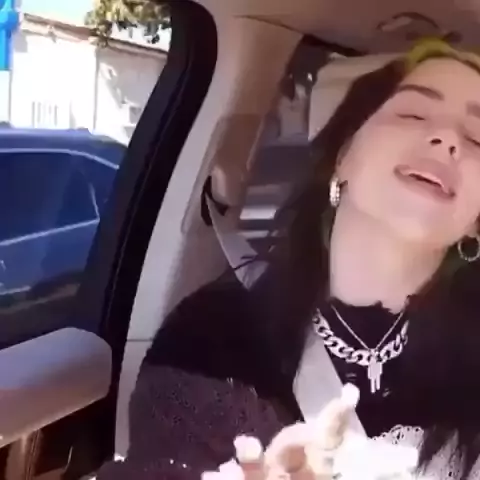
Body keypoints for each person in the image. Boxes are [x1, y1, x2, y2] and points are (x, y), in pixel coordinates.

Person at [96, 38, 480, 479]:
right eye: (413, 113)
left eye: (477, 137)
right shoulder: (211, 336)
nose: (449, 139)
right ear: (342, 157)